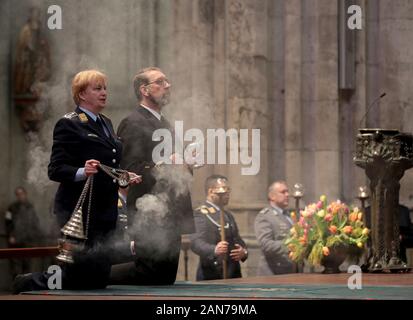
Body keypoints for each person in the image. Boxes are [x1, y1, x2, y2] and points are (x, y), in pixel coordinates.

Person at [12, 69, 141, 293]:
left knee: (99, 278)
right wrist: (83, 170)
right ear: (82, 94)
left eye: (105, 88)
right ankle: (27, 282)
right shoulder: (69, 124)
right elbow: (55, 169)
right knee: (77, 276)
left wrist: (123, 176)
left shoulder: (107, 123)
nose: (104, 93)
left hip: (104, 210)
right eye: (97, 88)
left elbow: (108, 164)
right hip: (79, 211)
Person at [111, 67, 194, 285]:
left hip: (171, 212)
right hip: (149, 213)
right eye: (160, 81)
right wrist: (166, 164)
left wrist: (187, 162)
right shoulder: (132, 122)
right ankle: (94, 276)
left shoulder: (165, 123)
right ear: (144, 90)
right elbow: (128, 169)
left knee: (165, 279)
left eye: (167, 81)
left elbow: (175, 168)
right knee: (148, 274)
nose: (168, 85)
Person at [190, 175, 248, 280]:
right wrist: (214, 249)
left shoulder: (227, 215)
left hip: (233, 274)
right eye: (224, 190)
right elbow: (196, 243)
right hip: (212, 273)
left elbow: (238, 240)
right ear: (211, 191)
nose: (227, 194)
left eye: (228, 190)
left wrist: (243, 252)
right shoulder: (201, 214)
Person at [254, 181, 295, 275]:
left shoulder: (289, 215)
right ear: (272, 196)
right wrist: (290, 245)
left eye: (287, 192)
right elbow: (266, 244)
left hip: (291, 270)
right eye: (283, 192)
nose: (287, 195)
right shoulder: (265, 216)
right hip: (273, 272)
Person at [4, 186, 42, 279]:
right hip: (15, 239)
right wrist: (11, 235)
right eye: (18, 194)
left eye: (22, 194)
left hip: (27, 239)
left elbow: (35, 222)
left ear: (25, 194)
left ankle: (25, 285)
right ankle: (16, 285)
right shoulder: (11, 207)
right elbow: (8, 222)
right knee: (15, 264)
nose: (20, 196)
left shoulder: (30, 206)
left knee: (27, 263)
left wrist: (34, 234)